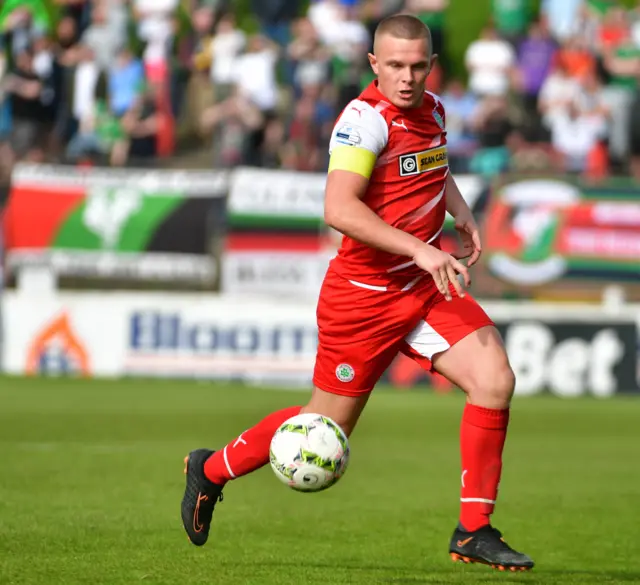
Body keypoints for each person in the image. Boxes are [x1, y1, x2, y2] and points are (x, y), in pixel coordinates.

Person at [180, 14, 534, 572]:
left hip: (423, 285)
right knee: (323, 428)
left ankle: (474, 530)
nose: (407, 77)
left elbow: (432, 172)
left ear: (432, 65)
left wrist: (459, 212)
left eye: (419, 65)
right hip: (364, 296)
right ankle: (212, 468)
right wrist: (419, 247)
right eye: (394, 65)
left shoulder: (436, 110)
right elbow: (339, 209)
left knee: (495, 379)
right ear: (374, 63)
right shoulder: (363, 121)